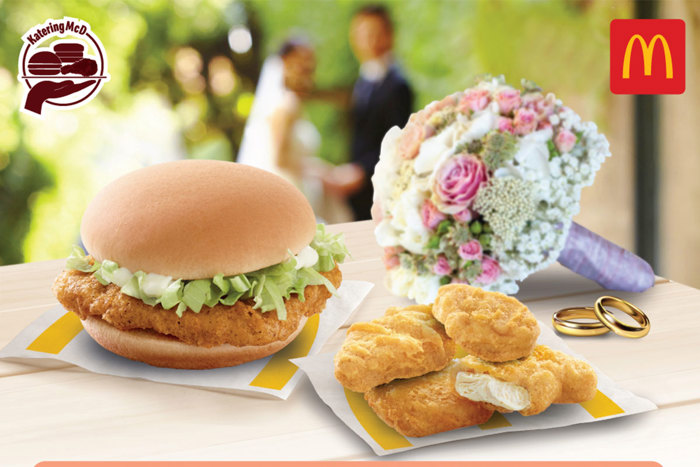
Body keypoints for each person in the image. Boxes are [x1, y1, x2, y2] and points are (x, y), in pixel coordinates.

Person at [237, 38, 352, 223]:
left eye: (310, 65)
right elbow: (280, 159)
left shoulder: (286, 103)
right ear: (285, 64)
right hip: (289, 193)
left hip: (294, 190)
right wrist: (322, 173)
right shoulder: (287, 105)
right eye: (301, 64)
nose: (307, 70)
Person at [322, 5, 413, 220]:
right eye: (362, 34)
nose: (369, 41)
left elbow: (397, 140)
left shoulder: (398, 85)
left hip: (379, 185)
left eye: (375, 33)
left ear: (389, 35)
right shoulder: (363, 79)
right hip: (357, 188)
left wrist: (361, 171)